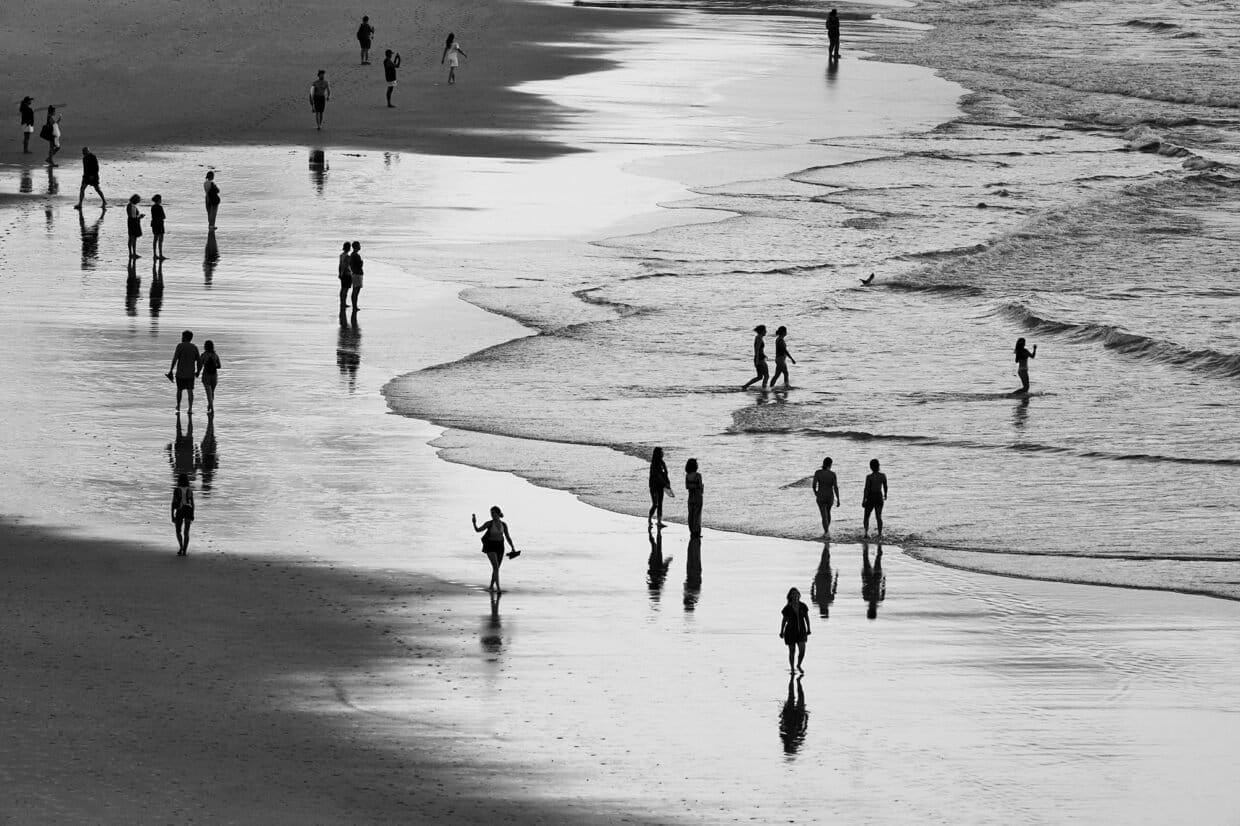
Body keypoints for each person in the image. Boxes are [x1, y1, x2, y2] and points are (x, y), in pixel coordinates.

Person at [472, 506, 518, 593]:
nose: (492, 515)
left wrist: (512, 547)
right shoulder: (489, 523)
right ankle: (498, 588)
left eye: (493, 513)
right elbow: (478, 530)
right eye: (491, 513)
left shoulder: (503, 524)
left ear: (498, 513)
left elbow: (507, 537)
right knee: (496, 567)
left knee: (496, 568)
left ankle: (491, 586)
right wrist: (474, 523)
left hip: (500, 546)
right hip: (490, 546)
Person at [166, 330, 201, 413]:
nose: (181, 338)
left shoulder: (180, 346)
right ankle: (190, 409)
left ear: (184, 337)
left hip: (180, 373)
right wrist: (198, 372)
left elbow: (175, 359)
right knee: (190, 391)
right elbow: (199, 362)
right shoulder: (194, 347)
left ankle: (178, 406)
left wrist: (171, 370)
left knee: (179, 390)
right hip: (190, 374)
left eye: (182, 337)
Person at [779, 587, 811, 672]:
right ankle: (792, 668)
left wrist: (809, 628)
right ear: (790, 596)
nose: (795, 595)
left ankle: (799, 664)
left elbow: (806, 618)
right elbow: (784, 620)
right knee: (792, 651)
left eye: (796, 593)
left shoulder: (803, 606)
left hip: (802, 632)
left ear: (799, 595)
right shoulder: (787, 608)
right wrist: (781, 631)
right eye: (793, 594)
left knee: (802, 651)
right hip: (790, 632)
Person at [811, 457, 840, 536]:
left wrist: (816, 493)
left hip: (821, 495)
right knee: (828, 513)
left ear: (823, 463)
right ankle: (827, 531)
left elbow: (813, 486)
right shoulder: (832, 474)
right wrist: (838, 499)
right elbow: (835, 487)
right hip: (830, 496)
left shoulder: (818, 473)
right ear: (830, 464)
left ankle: (826, 532)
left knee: (824, 515)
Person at [862, 458, 887, 538]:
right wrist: (885, 494)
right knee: (879, 516)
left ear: (871, 467)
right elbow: (885, 486)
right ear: (878, 466)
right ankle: (880, 533)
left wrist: (864, 499)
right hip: (879, 496)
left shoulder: (869, 477)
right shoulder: (882, 476)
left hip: (871, 497)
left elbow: (866, 489)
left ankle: (866, 533)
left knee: (866, 516)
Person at [171, 472, 195, 555]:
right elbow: (193, 504)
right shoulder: (190, 490)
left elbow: (173, 503)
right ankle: (185, 550)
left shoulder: (177, 490)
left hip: (180, 510)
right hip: (188, 510)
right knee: (186, 532)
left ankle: (181, 546)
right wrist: (193, 514)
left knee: (178, 531)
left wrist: (172, 515)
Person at [648, 446, 672, 527]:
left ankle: (659, 521)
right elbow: (658, 475)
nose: (663, 453)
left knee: (660, 504)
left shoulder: (662, 462)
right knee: (655, 504)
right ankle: (650, 518)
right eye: (661, 452)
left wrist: (668, 483)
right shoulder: (654, 463)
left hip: (661, 485)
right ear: (658, 453)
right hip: (654, 486)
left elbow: (665, 474)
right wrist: (665, 483)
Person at [862, 542, 885, 619]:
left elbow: (883, 588)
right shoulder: (866, 598)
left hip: (876, 578)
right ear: (868, 611)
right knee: (866, 557)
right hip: (870, 577)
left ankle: (879, 544)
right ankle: (868, 543)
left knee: (878, 558)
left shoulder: (879, 599)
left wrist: (884, 579)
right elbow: (863, 586)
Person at [741, 325, 769, 390]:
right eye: (765, 330)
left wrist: (764, 355)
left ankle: (745, 386)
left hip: (759, 358)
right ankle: (764, 388)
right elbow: (757, 349)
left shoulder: (759, 337)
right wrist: (757, 360)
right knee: (766, 376)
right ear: (762, 331)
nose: (766, 332)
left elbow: (759, 350)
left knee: (759, 377)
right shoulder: (759, 338)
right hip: (760, 359)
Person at [197, 339, 221, 414]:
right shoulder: (215, 355)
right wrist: (214, 366)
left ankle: (212, 407)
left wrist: (197, 372)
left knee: (208, 393)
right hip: (214, 375)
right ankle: (210, 405)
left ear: (205, 347)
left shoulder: (204, 355)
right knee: (212, 392)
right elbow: (219, 366)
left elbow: (200, 366)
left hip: (206, 375)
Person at [685, 458, 703, 537]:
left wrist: (692, 486)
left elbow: (687, 486)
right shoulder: (698, 475)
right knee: (697, 515)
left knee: (691, 514)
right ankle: (697, 531)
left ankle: (692, 531)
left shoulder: (687, 476)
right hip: (698, 496)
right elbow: (699, 486)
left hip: (690, 497)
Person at [125, 194, 144, 258]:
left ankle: (131, 253)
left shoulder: (129, 205)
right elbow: (133, 216)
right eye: (138, 200)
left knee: (130, 238)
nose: (139, 201)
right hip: (133, 223)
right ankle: (133, 253)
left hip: (130, 222)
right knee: (133, 238)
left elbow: (131, 216)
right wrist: (140, 216)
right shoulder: (132, 206)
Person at [348, 241, 365, 308]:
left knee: (355, 290)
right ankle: (355, 306)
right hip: (357, 274)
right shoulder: (356, 255)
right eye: (359, 245)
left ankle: (354, 305)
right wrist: (361, 262)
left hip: (354, 273)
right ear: (357, 247)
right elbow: (359, 265)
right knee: (356, 291)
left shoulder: (352, 254)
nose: (360, 247)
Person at [150, 194, 166, 259]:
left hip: (154, 224)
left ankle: (154, 254)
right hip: (159, 224)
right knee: (160, 240)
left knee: (155, 239)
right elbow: (164, 216)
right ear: (158, 200)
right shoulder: (160, 207)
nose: (161, 200)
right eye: (160, 199)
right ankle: (160, 254)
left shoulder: (152, 207)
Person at [337, 241, 353, 306]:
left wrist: (340, 273)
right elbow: (345, 266)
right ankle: (344, 303)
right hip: (347, 274)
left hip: (342, 274)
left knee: (342, 289)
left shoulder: (341, 255)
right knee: (345, 290)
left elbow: (340, 265)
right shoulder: (347, 256)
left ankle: (342, 302)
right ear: (349, 248)